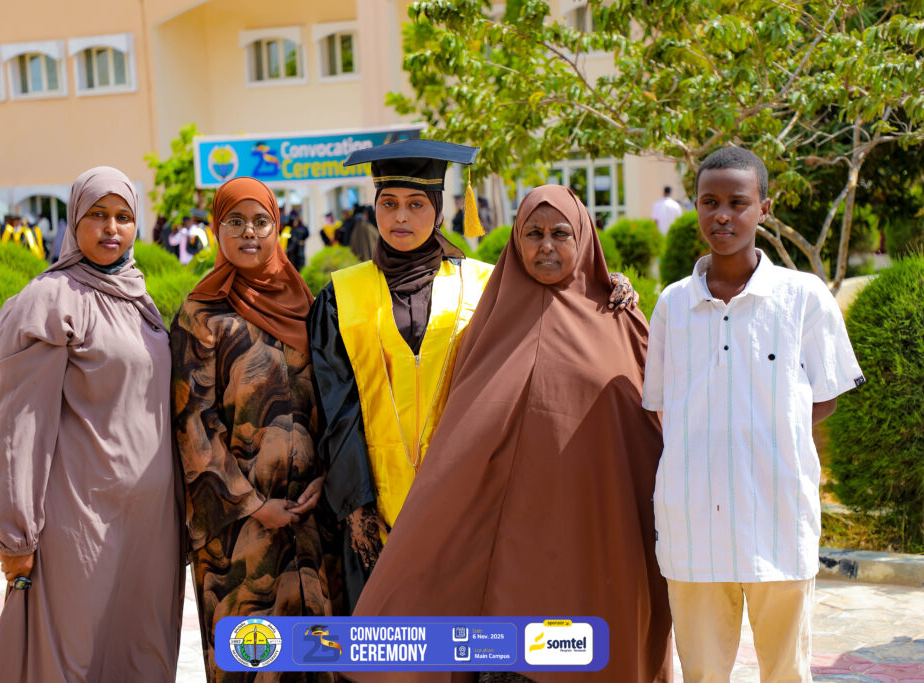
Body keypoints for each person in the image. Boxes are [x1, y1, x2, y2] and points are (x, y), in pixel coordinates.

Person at [352, 185, 672, 683]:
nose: (546, 246)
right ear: (515, 242)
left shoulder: (619, 315)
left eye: (561, 234)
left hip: (597, 529)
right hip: (510, 547)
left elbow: (649, 427)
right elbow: (462, 433)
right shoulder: (489, 321)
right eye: (533, 234)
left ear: (584, 238)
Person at [308, 140, 639, 611]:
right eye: (389, 203)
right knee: (386, 637)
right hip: (373, 503)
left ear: (439, 211)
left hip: (468, 499)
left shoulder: (485, 285)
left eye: (416, 204)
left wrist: (608, 286)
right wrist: (355, 505)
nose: (401, 217)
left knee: (459, 634)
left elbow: (559, 304)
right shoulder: (341, 295)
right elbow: (336, 408)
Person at [642, 148, 864, 682]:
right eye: (709, 202)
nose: (722, 215)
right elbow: (661, 404)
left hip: (778, 522)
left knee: (786, 672)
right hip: (693, 527)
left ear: (764, 208)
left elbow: (826, 394)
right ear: (695, 206)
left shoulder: (802, 297)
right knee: (702, 673)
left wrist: (767, 431)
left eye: (737, 203)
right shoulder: (673, 304)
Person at [0, 166, 186, 682]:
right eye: (97, 215)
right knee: (72, 656)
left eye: (123, 216)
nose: (111, 228)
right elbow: (19, 428)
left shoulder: (136, 296)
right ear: (74, 221)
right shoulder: (50, 300)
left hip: (148, 525)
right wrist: (16, 535)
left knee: (141, 651)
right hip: (81, 519)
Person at [171, 176, 341, 682]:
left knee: (317, 657)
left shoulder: (307, 307)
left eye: (261, 221)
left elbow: (333, 403)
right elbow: (193, 425)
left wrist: (327, 476)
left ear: (277, 228)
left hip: (310, 519)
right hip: (238, 533)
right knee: (252, 662)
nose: (250, 232)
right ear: (216, 229)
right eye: (235, 221)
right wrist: (252, 505)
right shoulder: (202, 315)